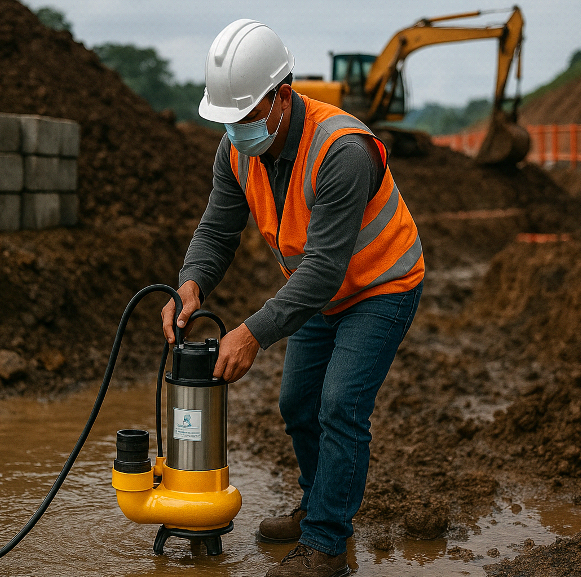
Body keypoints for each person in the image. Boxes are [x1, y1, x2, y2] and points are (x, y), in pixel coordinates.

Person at [161, 19, 424, 577]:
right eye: (228, 119)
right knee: (296, 405)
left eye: (247, 115)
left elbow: (325, 268)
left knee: (340, 406)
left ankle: (327, 542)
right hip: (318, 292)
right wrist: (192, 282)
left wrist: (251, 332)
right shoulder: (236, 149)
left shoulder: (342, 150)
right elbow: (217, 230)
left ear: (282, 95)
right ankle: (314, 505)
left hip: (380, 286)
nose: (237, 130)